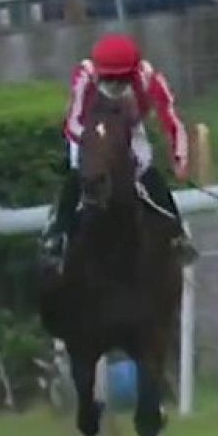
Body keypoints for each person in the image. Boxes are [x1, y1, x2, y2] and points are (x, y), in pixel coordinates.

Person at [42, 32, 196, 268]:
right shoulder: (85, 74)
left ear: (133, 72)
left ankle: (177, 233)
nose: (115, 86)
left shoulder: (147, 77)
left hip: (130, 130)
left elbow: (171, 118)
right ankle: (57, 234)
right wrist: (98, 146)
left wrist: (180, 158)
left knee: (146, 172)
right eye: (108, 79)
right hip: (89, 130)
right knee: (78, 173)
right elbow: (73, 121)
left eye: (122, 79)